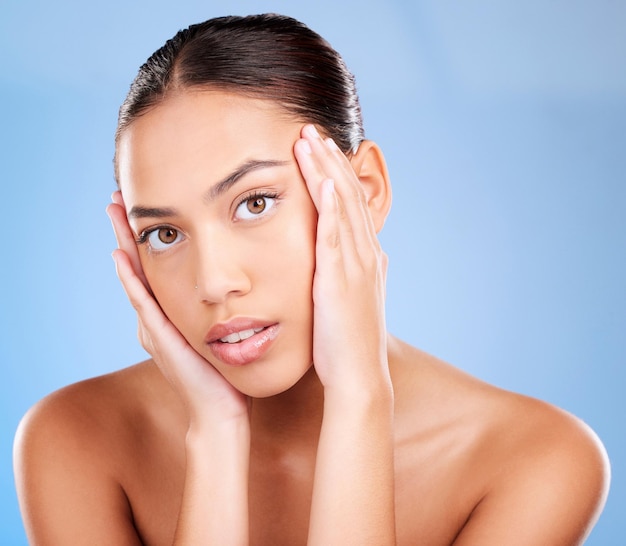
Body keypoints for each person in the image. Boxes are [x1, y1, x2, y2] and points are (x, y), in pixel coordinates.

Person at [14, 13, 609, 545]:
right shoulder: (73, 441)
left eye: (255, 203)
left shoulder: (534, 461)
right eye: (164, 234)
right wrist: (216, 437)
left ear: (364, 191)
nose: (215, 283)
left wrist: (359, 400)